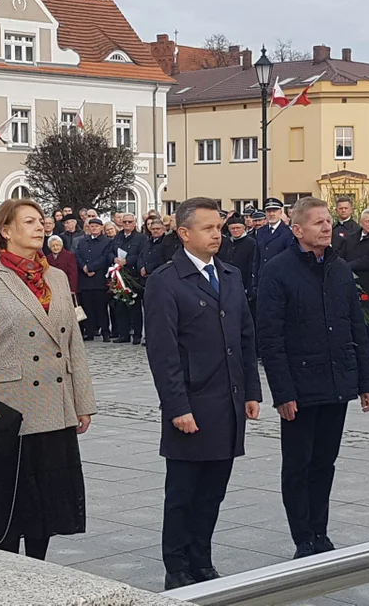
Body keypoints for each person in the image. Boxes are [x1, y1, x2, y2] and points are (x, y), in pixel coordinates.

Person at [0, 198, 97, 561]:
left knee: (47, 506)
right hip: (12, 409)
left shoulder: (57, 278)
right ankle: (5, 578)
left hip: (55, 405)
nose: (40, 227)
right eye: (30, 221)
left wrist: (83, 402)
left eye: (42, 221)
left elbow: (73, 345)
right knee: (10, 504)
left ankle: (38, 573)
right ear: (6, 231)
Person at [144, 197, 262, 589]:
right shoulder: (166, 281)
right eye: (209, 228)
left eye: (220, 227)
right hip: (192, 404)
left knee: (213, 490)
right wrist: (177, 406)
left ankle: (202, 559)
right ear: (184, 233)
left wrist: (250, 391)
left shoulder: (229, 275)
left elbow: (245, 338)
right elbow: (163, 352)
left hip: (226, 402)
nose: (218, 234)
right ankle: (176, 566)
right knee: (183, 494)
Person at [257, 197, 369, 559]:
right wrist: (282, 392)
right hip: (299, 386)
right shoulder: (278, 271)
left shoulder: (339, 269)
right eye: (318, 223)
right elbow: (270, 338)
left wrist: (366, 382)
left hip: (336, 383)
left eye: (328, 221)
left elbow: (356, 324)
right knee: (298, 465)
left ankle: (320, 532)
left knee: (325, 462)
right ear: (298, 231)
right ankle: (303, 538)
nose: (327, 227)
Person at [340, 209, 369, 360]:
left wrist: (348, 266)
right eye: (368, 221)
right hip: (350, 283)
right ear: (361, 222)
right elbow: (342, 254)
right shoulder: (351, 239)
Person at [74, 218, 112, 342]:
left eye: (96, 226)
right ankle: (89, 331)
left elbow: (105, 257)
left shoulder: (107, 241)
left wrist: (91, 267)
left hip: (99, 278)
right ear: (88, 228)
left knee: (101, 308)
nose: (94, 228)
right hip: (85, 279)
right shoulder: (83, 241)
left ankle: (105, 331)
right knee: (87, 307)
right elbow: (78, 255)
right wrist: (84, 267)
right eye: (92, 226)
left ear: (101, 228)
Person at [111, 214, 146, 344]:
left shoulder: (141, 238)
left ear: (134, 223)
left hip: (133, 275)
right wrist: (114, 259)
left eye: (129, 221)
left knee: (134, 307)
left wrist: (127, 261)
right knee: (120, 306)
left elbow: (141, 255)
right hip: (118, 275)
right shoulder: (118, 236)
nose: (126, 224)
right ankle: (123, 334)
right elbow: (110, 251)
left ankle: (137, 334)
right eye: (124, 221)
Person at [254, 197, 295, 279]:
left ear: (280, 212)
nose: (271, 214)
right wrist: (255, 280)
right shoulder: (261, 231)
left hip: (280, 277)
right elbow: (257, 258)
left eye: (274, 211)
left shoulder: (288, 232)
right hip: (263, 277)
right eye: (269, 211)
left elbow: (290, 259)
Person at [219, 216, 256, 299]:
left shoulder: (251, 243)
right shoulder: (225, 242)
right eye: (232, 228)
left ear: (244, 228)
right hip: (226, 282)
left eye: (238, 228)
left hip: (243, 282)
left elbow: (252, 266)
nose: (235, 230)